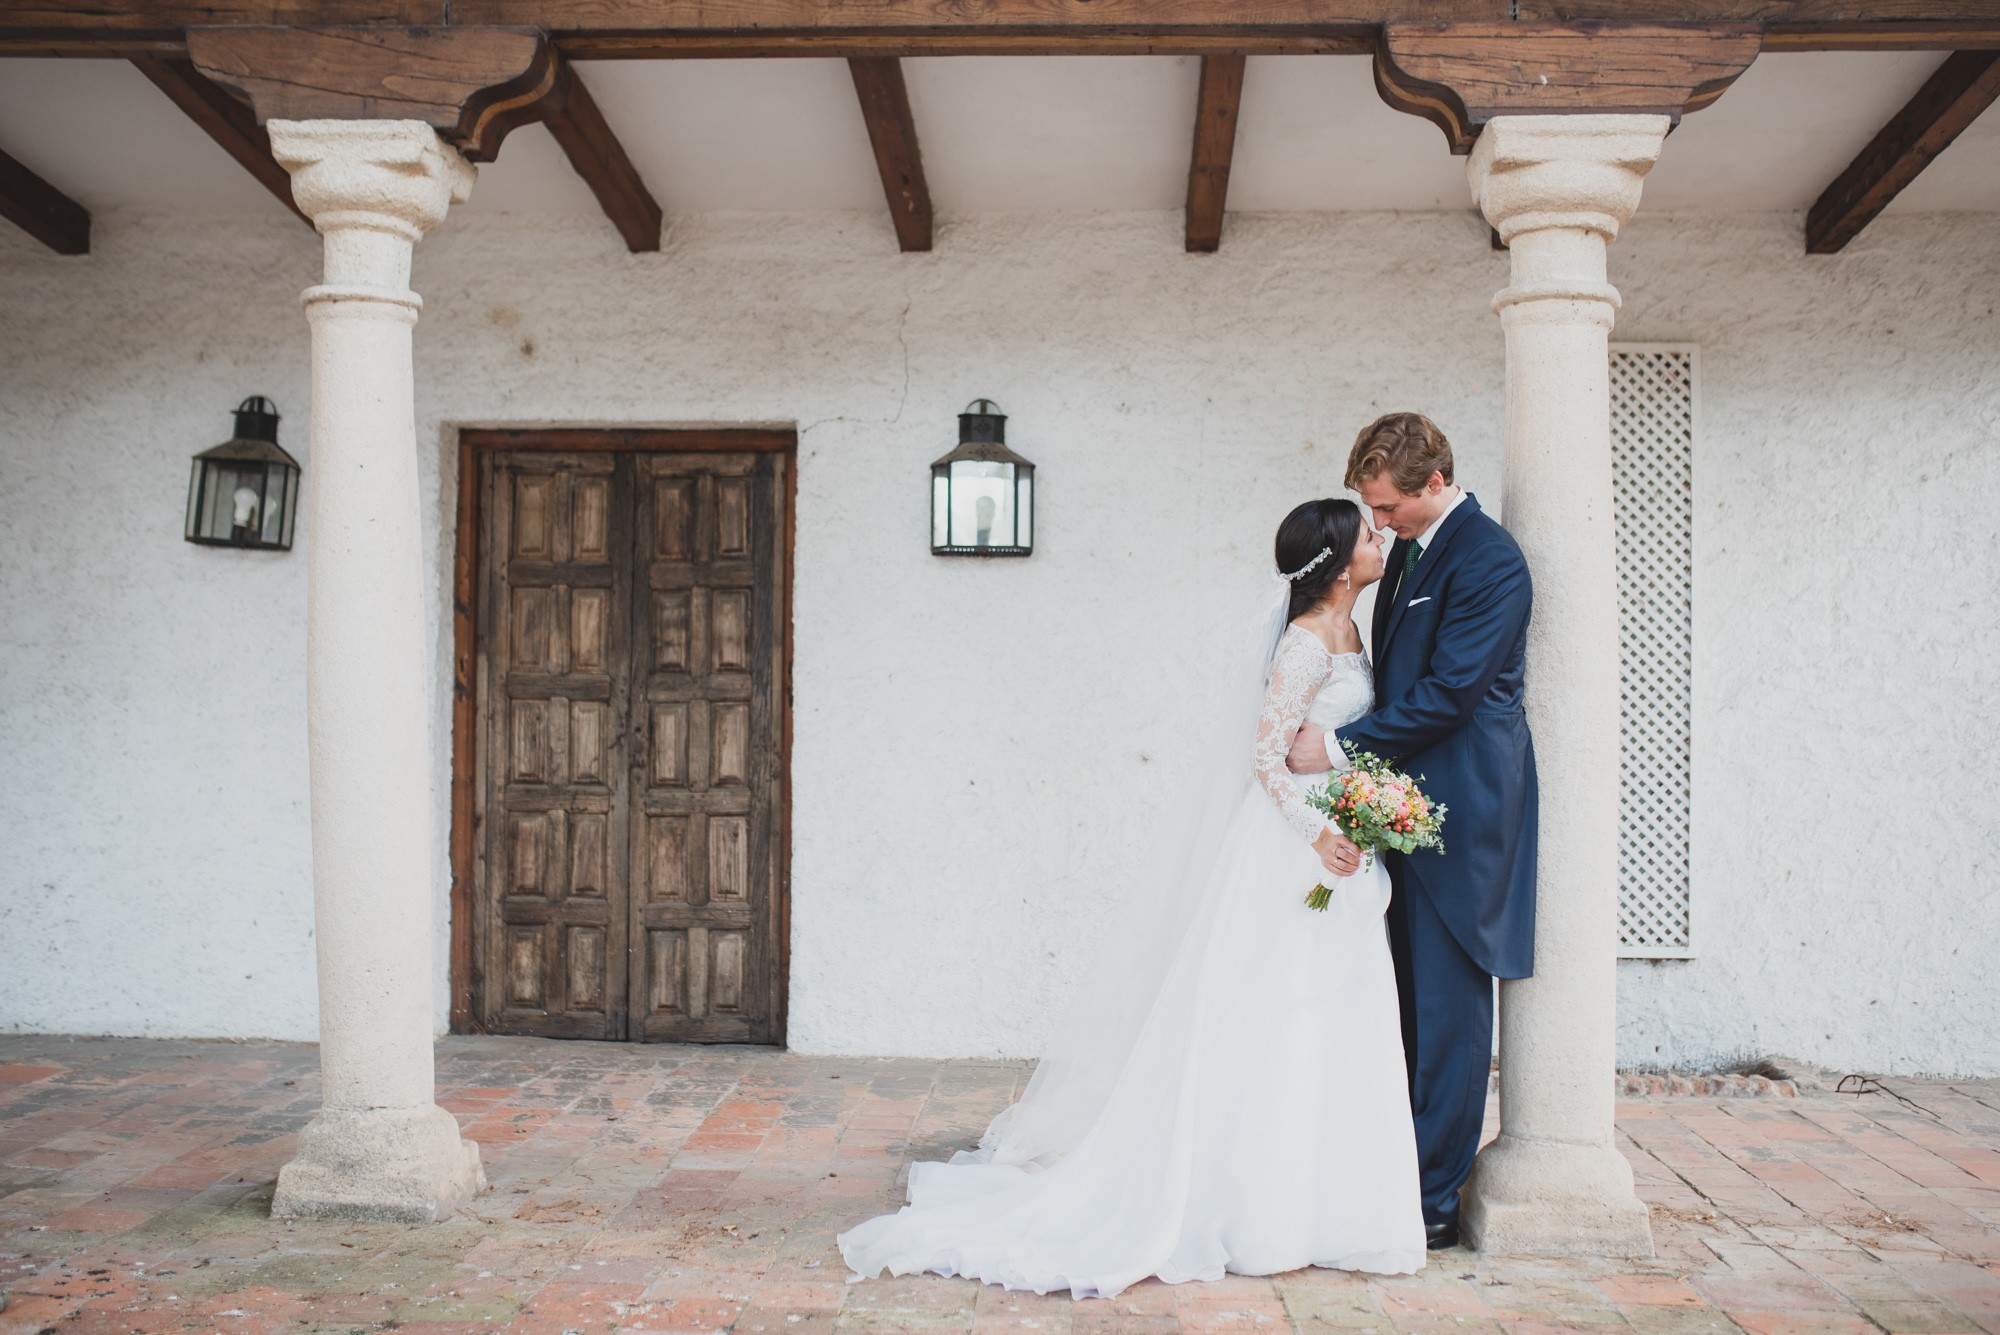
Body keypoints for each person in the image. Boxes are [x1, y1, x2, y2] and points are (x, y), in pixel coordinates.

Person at [837, 497, 1427, 1299]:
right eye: (1366, 532)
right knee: (1279, 1011)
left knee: (1333, 1014)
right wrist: (1317, 835)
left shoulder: (1357, 629)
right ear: (1333, 563)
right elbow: (1267, 757)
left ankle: (1325, 1205)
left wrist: (1360, 810)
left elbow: (1341, 740)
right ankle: (1257, 1209)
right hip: (1294, 853)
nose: (1378, 538)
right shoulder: (1303, 643)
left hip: (1345, 845)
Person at [1286, 412, 1537, 1252]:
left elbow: (1454, 691)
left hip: (1460, 811)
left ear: (1433, 484)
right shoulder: (1409, 554)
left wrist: (1338, 746)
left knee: (1449, 1011)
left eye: (1386, 506)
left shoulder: (1490, 559)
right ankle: (1393, 1175)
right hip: (1394, 812)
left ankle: (1433, 1197)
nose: (1377, 523)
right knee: (1400, 1009)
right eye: (1370, 508)